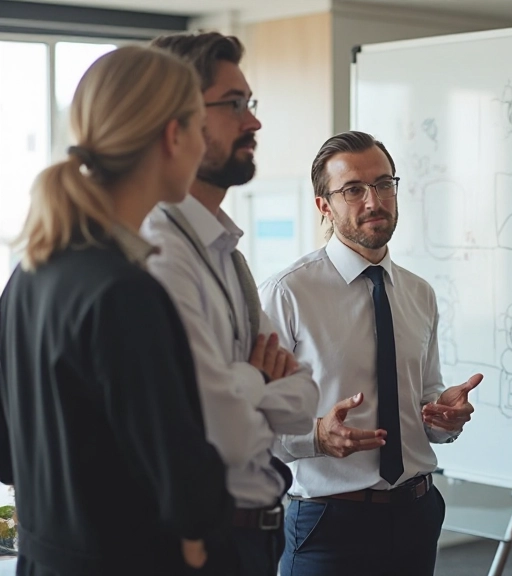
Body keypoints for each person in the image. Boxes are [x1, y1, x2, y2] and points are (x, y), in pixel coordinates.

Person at [0, 45, 232, 575]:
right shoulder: (124, 294)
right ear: (173, 136)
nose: (203, 145)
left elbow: (6, 450)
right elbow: (190, 493)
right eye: (199, 126)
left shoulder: (31, 272)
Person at [260, 131, 482, 576]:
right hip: (328, 522)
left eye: (384, 184)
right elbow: (253, 426)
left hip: (416, 514)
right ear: (324, 205)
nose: (373, 201)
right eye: (353, 190)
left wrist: (443, 419)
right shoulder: (288, 294)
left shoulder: (419, 293)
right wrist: (315, 438)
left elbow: (426, 405)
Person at [141, 32, 320, 576]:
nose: (254, 122)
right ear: (177, 116)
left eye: (251, 103)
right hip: (201, 543)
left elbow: (302, 400)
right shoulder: (158, 251)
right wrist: (259, 383)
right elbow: (221, 433)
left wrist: (248, 387)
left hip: (255, 539)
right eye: (234, 104)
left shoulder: (225, 252)